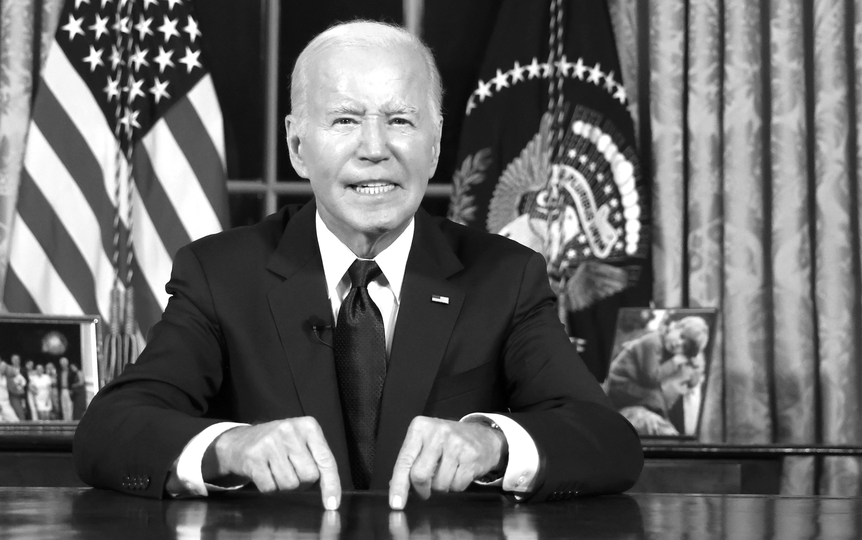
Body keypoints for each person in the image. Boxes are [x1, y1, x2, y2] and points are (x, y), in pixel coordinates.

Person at [74, 20, 642, 510]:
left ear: (436, 143)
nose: (376, 147)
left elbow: (607, 440)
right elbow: (110, 430)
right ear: (298, 147)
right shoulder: (221, 274)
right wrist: (227, 448)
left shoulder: (505, 275)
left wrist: (493, 441)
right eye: (345, 120)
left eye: (401, 120)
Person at [604, 315, 710, 436]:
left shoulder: (665, 347)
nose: (678, 344)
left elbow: (689, 378)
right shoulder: (653, 342)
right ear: (674, 326)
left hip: (629, 387)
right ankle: (664, 423)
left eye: (684, 346)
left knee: (656, 396)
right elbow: (650, 378)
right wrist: (674, 362)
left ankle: (664, 422)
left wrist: (691, 362)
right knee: (654, 396)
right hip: (618, 384)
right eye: (681, 336)